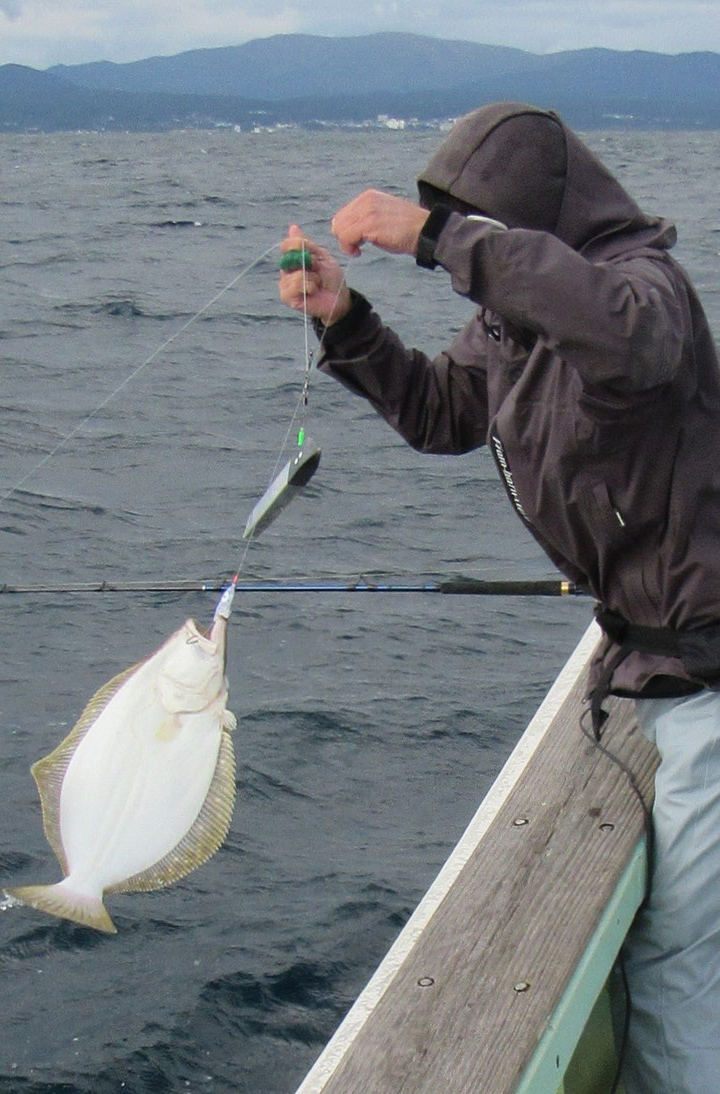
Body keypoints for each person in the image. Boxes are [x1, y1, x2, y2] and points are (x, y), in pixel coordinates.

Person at [278, 101, 719, 1093]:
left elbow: (628, 339)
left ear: (536, 216)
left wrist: (438, 238)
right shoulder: (515, 319)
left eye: (482, 218)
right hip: (657, 664)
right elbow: (443, 409)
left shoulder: (646, 294)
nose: (468, 240)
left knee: (679, 960)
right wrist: (346, 319)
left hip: (708, 676)